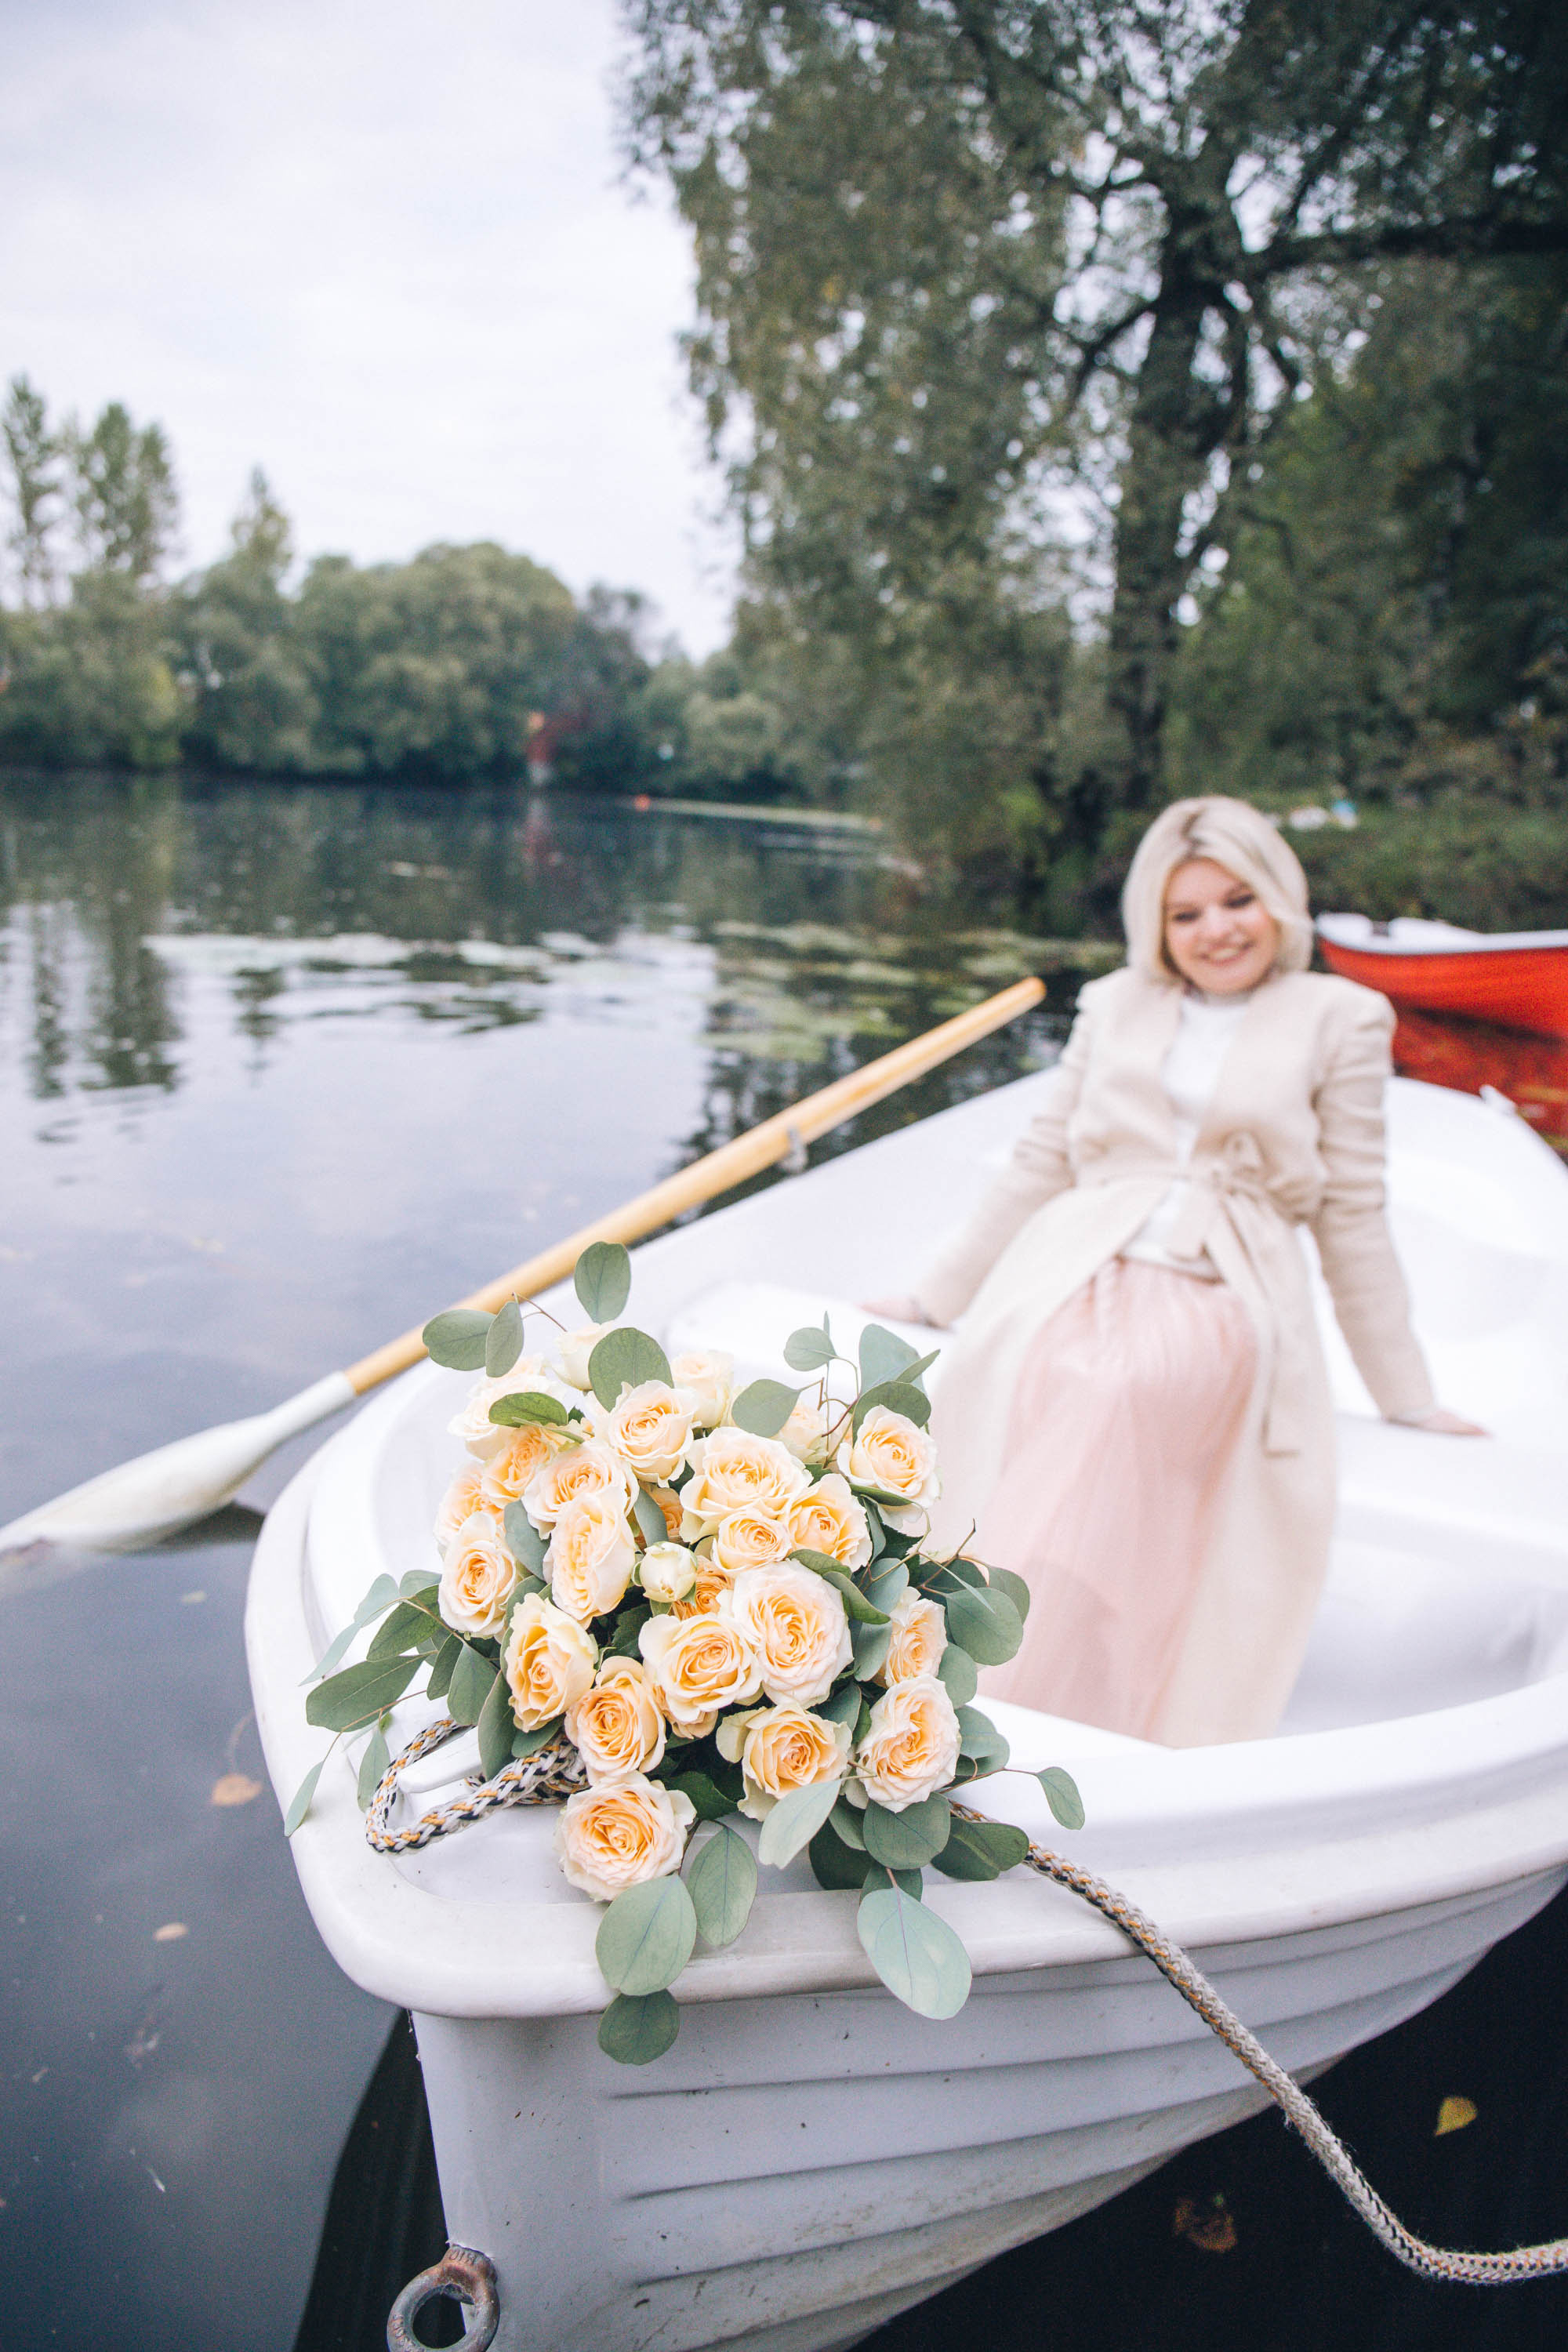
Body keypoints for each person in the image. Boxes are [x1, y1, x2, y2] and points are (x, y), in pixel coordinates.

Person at [869, 797, 1483, 1747]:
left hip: (1221, 1281)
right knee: (1024, 1368)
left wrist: (1403, 1394)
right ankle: (934, 1660)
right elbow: (1041, 1157)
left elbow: (1351, 1212)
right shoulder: (1117, 1001)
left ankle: (1018, 1695)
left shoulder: (1342, 1015)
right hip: (1075, 1258)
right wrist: (932, 1297)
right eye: (1183, 914)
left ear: (1277, 896)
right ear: (1153, 924)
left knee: (1119, 1384)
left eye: (1236, 900)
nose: (1215, 931)